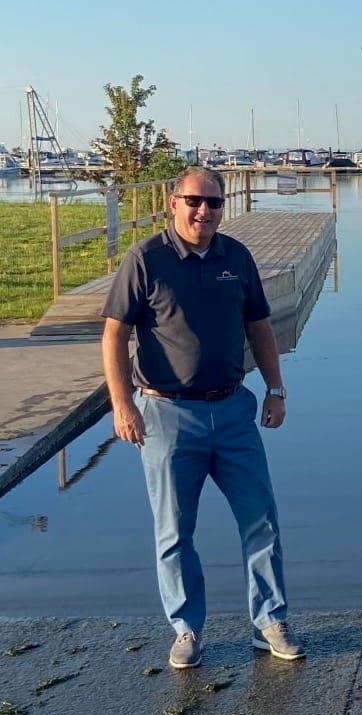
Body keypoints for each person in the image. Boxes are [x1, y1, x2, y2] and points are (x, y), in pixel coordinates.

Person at [101, 166, 304, 668]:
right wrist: (122, 403)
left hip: (233, 409)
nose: (204, 212)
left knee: (261, 520)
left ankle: (269, 621)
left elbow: (259, 326)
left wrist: (275, 390)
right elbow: (112, 334)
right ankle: (187, 628)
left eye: (214, 203)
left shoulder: (235, 256)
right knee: (174, 530)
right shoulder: (146, 258)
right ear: (173, 203)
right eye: (195, 201)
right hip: (167, 413)